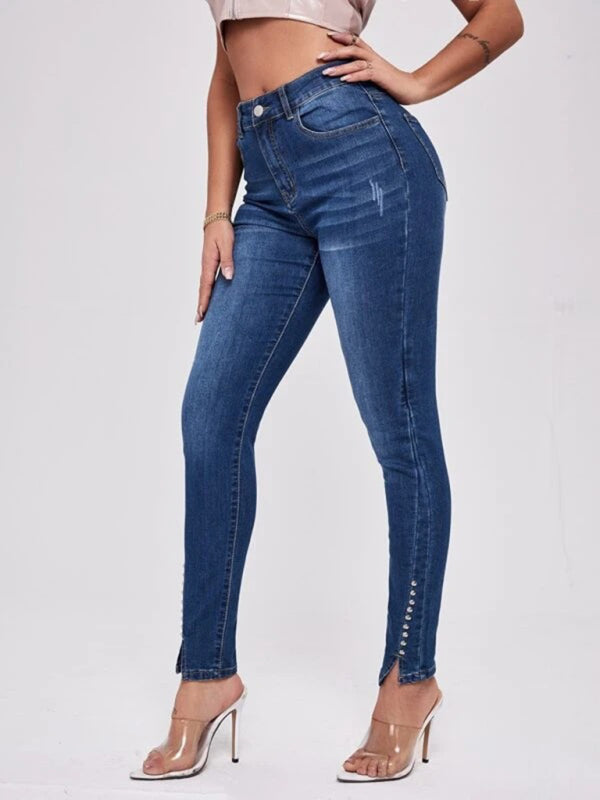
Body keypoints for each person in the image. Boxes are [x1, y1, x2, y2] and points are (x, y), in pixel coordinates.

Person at [129, 0, 524, 784]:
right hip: (266, 183)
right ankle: (206, 676)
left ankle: (409, 679)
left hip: (362, 158)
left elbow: (501, 16)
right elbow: (227, 63)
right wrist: (215, 210)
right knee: (210, 418)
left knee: (399, 430)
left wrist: (415, 81)